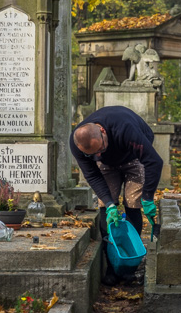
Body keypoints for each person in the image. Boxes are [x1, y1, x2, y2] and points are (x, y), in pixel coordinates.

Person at [69, 105, 163, 285]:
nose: (96, 155)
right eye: (91, 155)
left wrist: (148, 197)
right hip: (107, 165)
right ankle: (112, 266)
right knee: (106, 207)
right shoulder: (78, 143)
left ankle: (130, 266)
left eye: (99, 149)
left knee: (133, 203)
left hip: (133, 157)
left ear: (103, 131)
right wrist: (110, 203)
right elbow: (92, 175)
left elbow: (154, 161)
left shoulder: (125, 129)